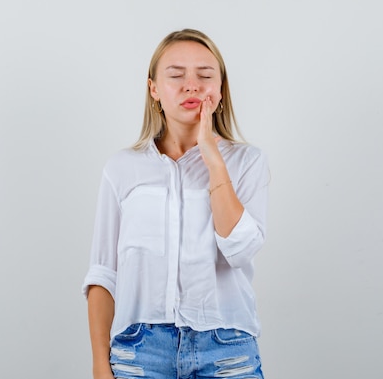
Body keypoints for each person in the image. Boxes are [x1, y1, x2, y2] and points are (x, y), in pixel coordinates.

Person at [82, 29, 269, 379]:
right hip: (139, 354)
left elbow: (239, 249)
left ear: (221, 90)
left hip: (227, 352)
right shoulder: (122, 168)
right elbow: (103, 274)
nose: (192, 85)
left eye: (205, 75)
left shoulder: (247, 162)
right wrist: (99, 364)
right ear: (154, 89)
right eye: (176, 75)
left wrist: (213, 159)